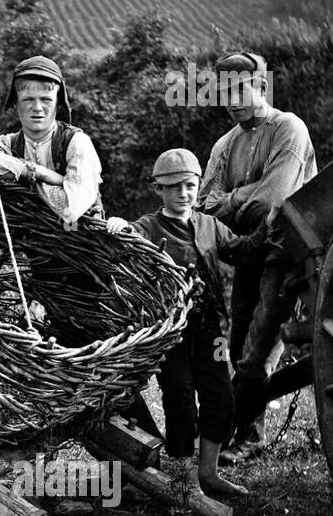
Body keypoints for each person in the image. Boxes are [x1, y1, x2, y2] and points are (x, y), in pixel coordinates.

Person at [107, 149, 264, 498]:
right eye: (174, 187)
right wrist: (118, 227)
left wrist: (272, 224)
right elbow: (123, 240)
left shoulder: (208, 225)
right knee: (179, 396)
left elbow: (243, 251)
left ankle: (208, 474)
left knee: (221, 397)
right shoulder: (148, 226)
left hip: (210, 328)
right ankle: (185, 478)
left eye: (190, 186)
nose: (183, 194)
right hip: (171, 330)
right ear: (159, 190)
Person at [199, 52, 317, 464]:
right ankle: (244, 430)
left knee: (258, 348)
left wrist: (231, 201)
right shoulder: (224, 144)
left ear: (261, 87)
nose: (231, 99)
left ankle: (246, 439)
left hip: (285, 256)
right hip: (247, 256)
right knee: (236, 345)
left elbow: (276, 198)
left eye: (239, 89)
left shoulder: (288, 129)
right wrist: (244, 201)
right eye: (223, 92)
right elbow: (203, 207)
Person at [0, 55, 104, 224]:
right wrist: (41, 174)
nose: (37, 108)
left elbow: (70, 210)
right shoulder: (10, 143)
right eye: (28, 99)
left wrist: (28, 180)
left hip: (76, 237)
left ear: (58, 104)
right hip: (30, 237)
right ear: (16, 105)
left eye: (46, 99)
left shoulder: (76, 142)